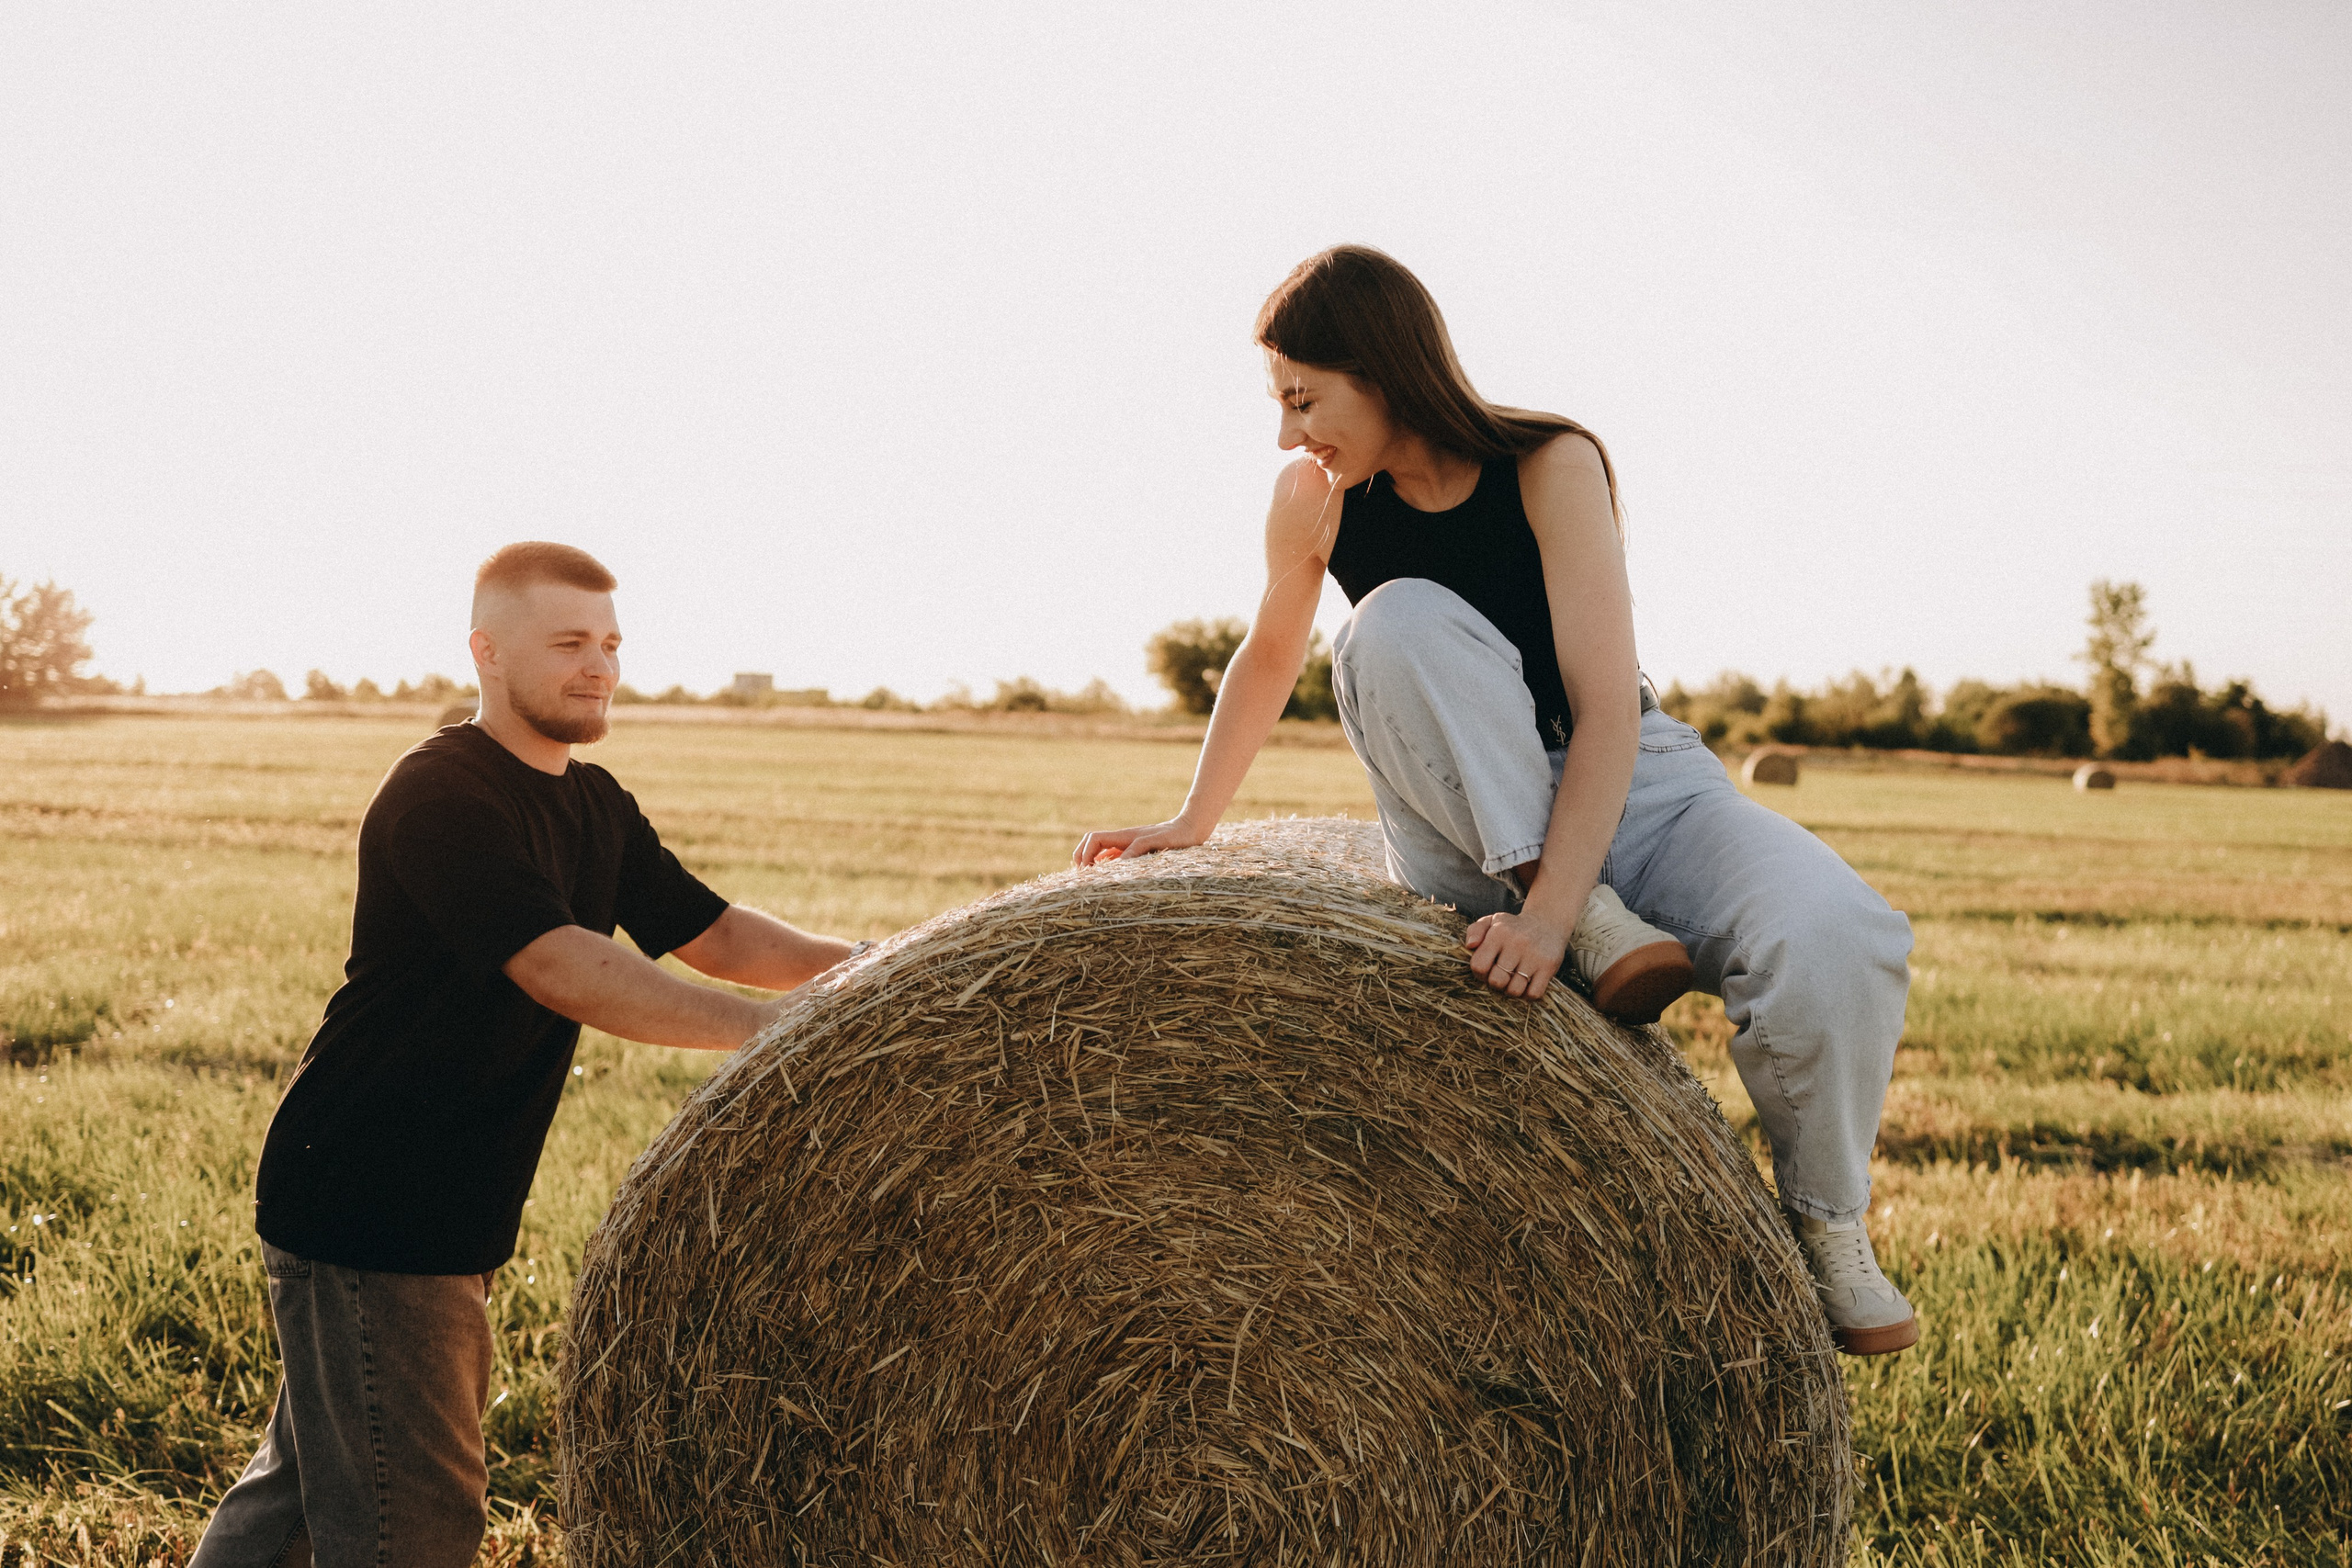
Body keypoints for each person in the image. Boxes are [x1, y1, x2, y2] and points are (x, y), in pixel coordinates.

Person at [1074, 246, 1917, 1356]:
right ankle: (1579, 913)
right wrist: (1193, 823)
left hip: (1633, 779)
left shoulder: (1550, 463)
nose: (1289, 433)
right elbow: (1275, 649)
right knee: (1388, 620)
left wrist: (1559, 912)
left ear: (1378, 368)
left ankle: (1828, 1224)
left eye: (1302, 399)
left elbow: (1607, 710)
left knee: (1839, 931)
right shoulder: (1316, 500)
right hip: (1463, 821)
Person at [191, 543, 866, 1567]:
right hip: (374, 1197)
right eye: (567, 643)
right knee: (408, 1519)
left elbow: (717, 933)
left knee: (302, 1494)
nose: (597, 666)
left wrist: (894, 976)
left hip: (437, 1199)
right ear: (487, 653)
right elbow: (560, 966)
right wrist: (773, 1033)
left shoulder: (593, 802)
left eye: (608, 644)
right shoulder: (443, 793)